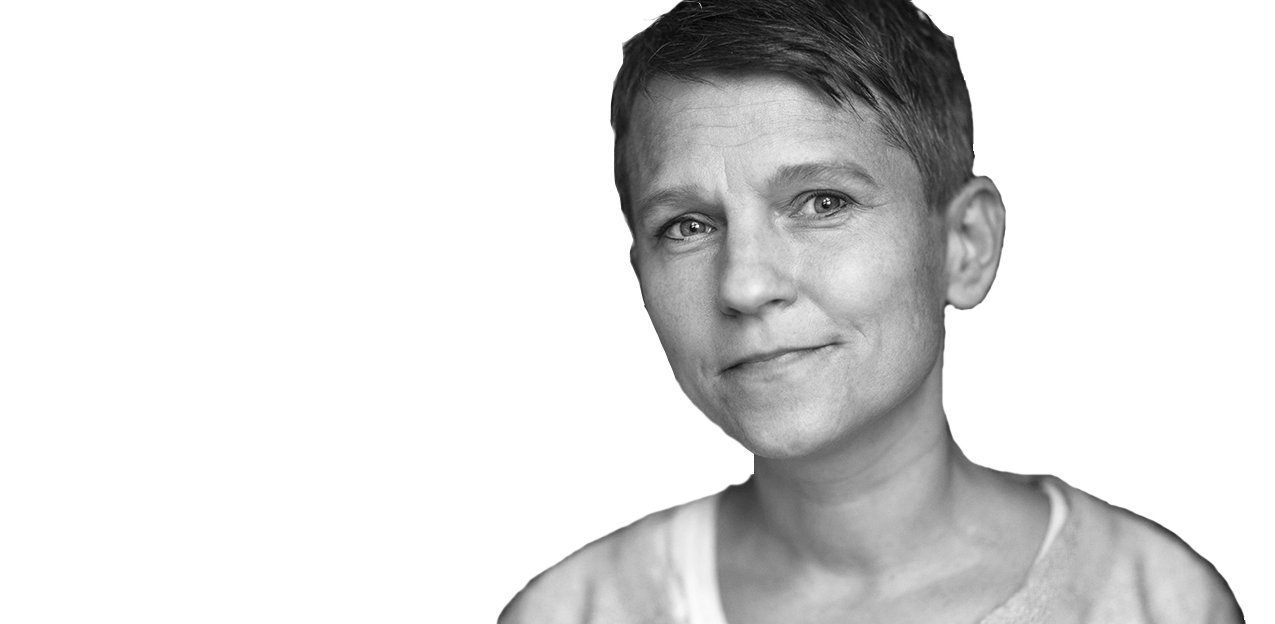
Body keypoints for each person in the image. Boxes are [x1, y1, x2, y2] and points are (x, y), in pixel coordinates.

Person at [500, 0, 1241, 622]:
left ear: (964, 245)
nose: (745, 285)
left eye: (823, 202)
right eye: (687, 226)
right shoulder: (572, 613)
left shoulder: (1156, 602)